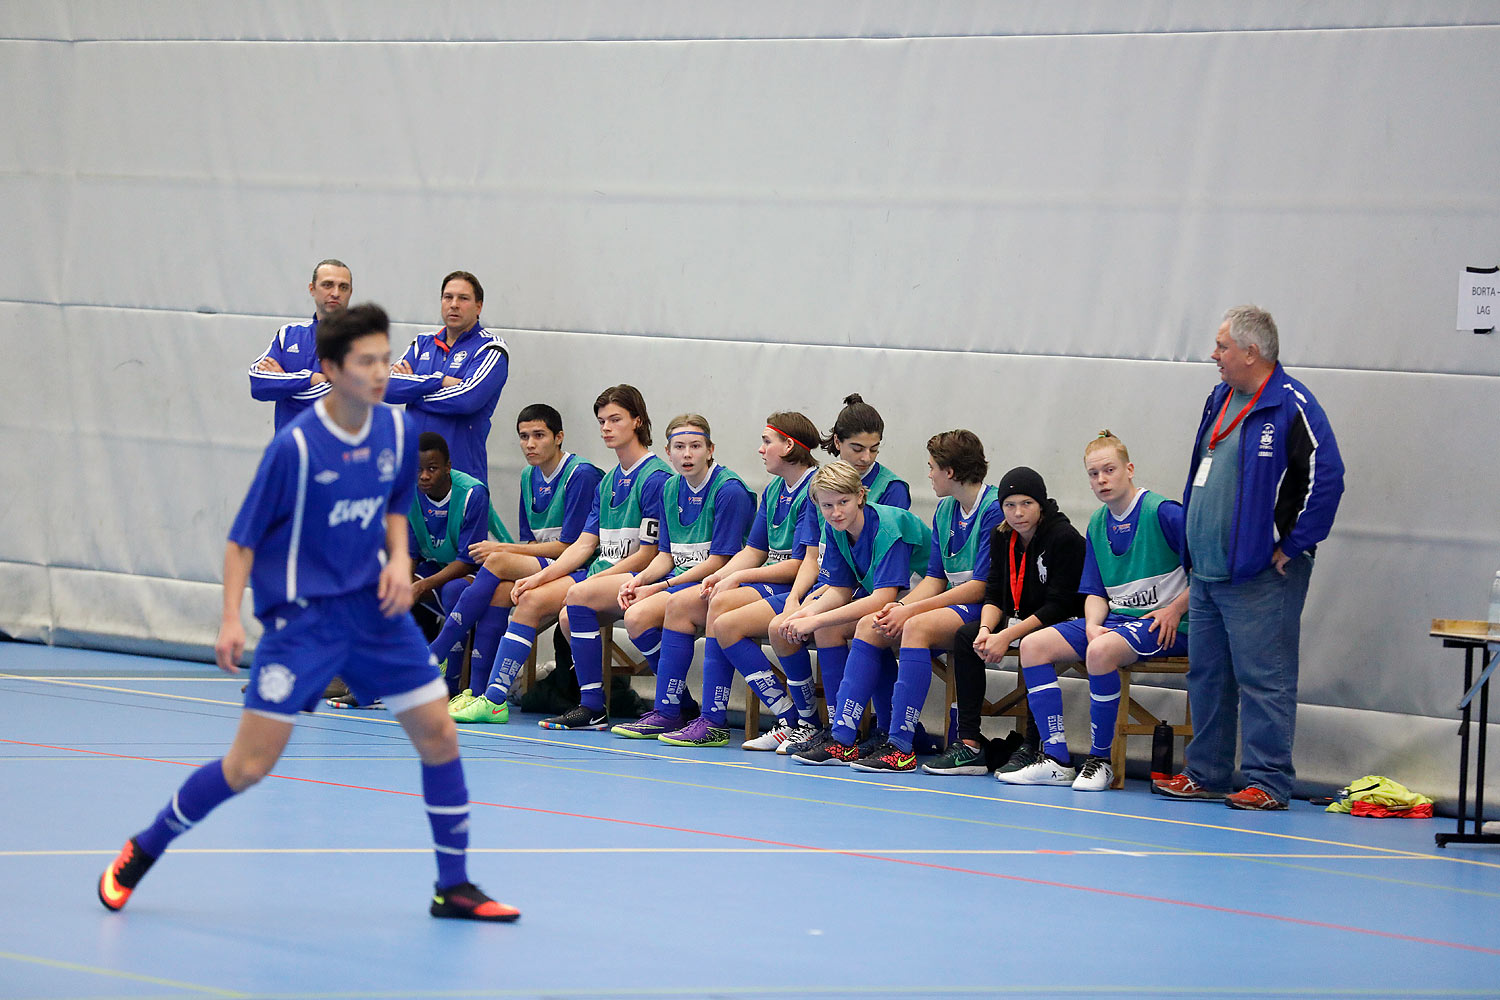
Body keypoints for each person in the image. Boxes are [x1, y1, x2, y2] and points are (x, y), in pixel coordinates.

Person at [96, 304, 516, 922]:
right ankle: (145, 846)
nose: (381, 373)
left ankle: (452, 886)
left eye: (385, 358)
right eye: (366, 362)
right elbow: (241, 540)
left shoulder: (396, 436)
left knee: (439, 734)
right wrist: (232, 620)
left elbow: (395, 510)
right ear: (330, 369)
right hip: (304, 624)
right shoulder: (295, 447)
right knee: (249, 766)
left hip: (376, 614)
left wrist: (400, 560)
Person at [1155, 306, 1344, 810]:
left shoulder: (1291, 404)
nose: (1213, 356)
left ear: (1251, 352)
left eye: (1222, 347)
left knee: (1264, 679)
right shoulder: (1220, 397)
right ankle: (1207, 773)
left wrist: (1292, 543)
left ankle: (1268, 780)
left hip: (1262, 575)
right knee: (1208, 676)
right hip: (1210, 572)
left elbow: (1326, 477)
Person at [1001, 432, 1189, 790]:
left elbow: (1210, 572)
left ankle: (1100, 759)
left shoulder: (1164, 513)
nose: (1101, 480)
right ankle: (1056, 759)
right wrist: (1091, 625)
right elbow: (1095, 593)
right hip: (1119, 623)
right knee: (1033, 646)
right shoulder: (1099, 522)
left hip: (1167, 625)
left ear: (1129, 469)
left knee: (1101, 651)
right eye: (1093, 473)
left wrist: (1175, 609)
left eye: (1109, 470)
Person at [501, 386, 670, 731]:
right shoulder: (608, 480)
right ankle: (495, 695)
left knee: (576, 598)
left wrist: (591, 581)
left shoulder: (655, 478)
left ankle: (600, 706)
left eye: (615, 419)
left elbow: (647, 556)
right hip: (604, 576)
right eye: (601, 421)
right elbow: (582, 545)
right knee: (541, 601)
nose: (606, 427)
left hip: (642, 576)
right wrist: (539, 577)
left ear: (638, 421)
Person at [656, 412, 825, 750]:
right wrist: (720, 576)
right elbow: (753, 549)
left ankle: (791, 719)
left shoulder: (814, 489)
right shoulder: (776, 487)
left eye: (767, 442)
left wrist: (738, 576)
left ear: (789, 445)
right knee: (691, 602)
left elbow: (799, 565)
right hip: (775, 583)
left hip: (800, 589)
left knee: (722, 611)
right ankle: (691, 716)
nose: (760, 450)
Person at [840, 430, 1005, 772]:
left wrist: (910, 610)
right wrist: (900, 606)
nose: (928, 474)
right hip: (951, 603)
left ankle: (902, 747)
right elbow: (934, 578)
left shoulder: (993, 509)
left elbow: (979, 586)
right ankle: (842, 738)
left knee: (915, 626)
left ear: (951, 472)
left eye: (932, 467)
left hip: (987, 608)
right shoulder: (946, 510)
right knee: (870, 625)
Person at [441, 404, 603, 724]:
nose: (530, 444)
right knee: (501, 591)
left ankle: (438, 651)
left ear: (559, 437)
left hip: (580, 565)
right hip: (548, 562)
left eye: (538, 436)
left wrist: (502, 549)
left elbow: (572, 546)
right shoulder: (528, 475)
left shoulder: (580, 474)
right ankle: (479, 692)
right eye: (524, 436)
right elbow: (531, 543)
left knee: (498, 560)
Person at [932, 468, 1085, 778]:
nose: (1018, 513)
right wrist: (988, 630)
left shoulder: (1063, 537)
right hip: (1017, 617)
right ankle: (970, 743)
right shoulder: (1002, 535)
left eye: (1026, 503)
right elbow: (994, 592)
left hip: (1062, 621)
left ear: (1041, 504)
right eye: (1009, 505)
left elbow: (1059, 605)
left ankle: (1032, 744)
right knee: (967, 636)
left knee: (1034, 643)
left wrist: (1009, 635)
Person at [609, 415, 755, 739]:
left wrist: (660, 586)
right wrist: (640, 581)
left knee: (671, 605)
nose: (687, 454)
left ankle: (680, 711)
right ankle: (676, 706)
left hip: (720, 583)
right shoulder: (669, 488)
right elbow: (666, 555)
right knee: (635, 617)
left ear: (710, 450)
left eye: (695, 446)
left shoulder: (729, 491)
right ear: (668, 451)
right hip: (682, 581)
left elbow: (722, 560)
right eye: (679, 447)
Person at [788, 461, 931, 766]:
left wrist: (814, 618)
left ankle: (851, 737)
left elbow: (882, 598)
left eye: (844, 502)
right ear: (817, 504)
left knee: (867, 625)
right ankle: (842, 731)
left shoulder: (888, 527)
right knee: (828, 629)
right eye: (827, 505)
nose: (836, 511)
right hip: (893, 600)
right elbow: (840, 589)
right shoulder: (836, 528)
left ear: (861, 497)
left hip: (927, 598)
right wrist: (804, 614)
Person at [407, 431, 513, 691]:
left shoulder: (472, 493)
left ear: (448, 467)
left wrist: (420, 587)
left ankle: (450, 684)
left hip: (483, 568)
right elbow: (410, 553)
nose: (424, 476)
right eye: (418, 469)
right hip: (437, 566)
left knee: (454, 589)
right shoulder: (409, 494)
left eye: (432, 469)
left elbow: (467, 561)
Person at [385, 271, 508, 486]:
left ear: (478, 307)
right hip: (414, 475)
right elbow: (382, 386)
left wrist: (413, 390)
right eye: (448, 297)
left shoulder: (491, 348)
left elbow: (466, 400)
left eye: (463, 298)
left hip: (461, 478)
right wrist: (439, 381)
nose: (454, 304)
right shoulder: (422, 343)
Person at [248, 259, 351, 431]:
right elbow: (258, 384)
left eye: (343, 287)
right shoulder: (288, 334)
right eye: (327, 285)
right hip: (291, 451)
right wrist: (312, 379)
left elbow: (341, 397)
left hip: (338, 452)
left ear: (351, 292)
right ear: (312, 289)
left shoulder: (362, 342)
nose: (335, 293)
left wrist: (284, 386)